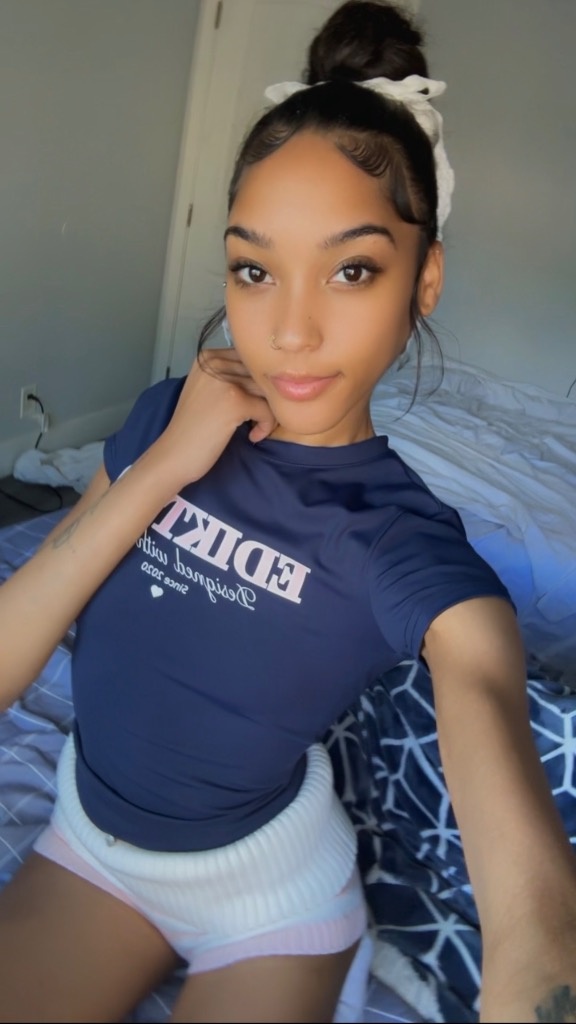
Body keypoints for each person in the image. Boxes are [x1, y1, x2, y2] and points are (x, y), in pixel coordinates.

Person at [0, 2, 575, 1021]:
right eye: (254, 269)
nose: (290, 330)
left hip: (267, 899)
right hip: (90, 845)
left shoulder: (403, 541)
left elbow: (536, 918)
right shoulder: (168, 415)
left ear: (424, 281)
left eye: (352, 270)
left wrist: (541, 972)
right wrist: (164, 466)